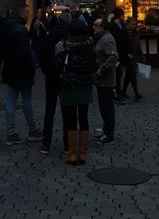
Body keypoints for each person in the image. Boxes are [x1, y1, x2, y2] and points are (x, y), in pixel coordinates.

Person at [56, 20, 95, 164]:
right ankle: (82, 153)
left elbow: (58, 64)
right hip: (84, 85)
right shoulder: (90, 46)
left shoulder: (65, 46)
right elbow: (94, 64)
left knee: (71, 119)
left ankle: (72, 153)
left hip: (69, 85)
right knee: (84, 118)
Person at [2, 5, 41, 145]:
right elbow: (26, 53)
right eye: (28, 13)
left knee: (10, 101)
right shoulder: (21, 30)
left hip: (10, 69)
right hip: (22, 71)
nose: (29, 15)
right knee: (26, 100)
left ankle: (10, 132)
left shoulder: (7, 27)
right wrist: (31, 70)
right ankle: (32, 129)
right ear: (22, 13)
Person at [39, 12, 70, 156]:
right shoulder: (70, 35)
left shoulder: (50, 33)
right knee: (67, 111)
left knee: (49, 110)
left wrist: (47, 70)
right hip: (66, 77)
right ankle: (67, 145)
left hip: (51, 76)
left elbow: (42, 55)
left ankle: (46, 143)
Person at [93, 19, 118, 145]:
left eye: (96, 26)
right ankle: (106, 131)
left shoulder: (106, 39)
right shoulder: (102, 38)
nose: (94, 28)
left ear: (101, 27)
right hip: (102, 80)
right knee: (103, 107)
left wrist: (101, 70)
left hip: (106, 80)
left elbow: (113, 56)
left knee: (107, 107)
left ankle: (109, 134)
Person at [109, 7, 131, 103]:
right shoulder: (113, 26)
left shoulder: (122, 24)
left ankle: (119, 93)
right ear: (119, 15)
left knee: (120, 74)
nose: (124, 16)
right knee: (117, 74)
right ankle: (116, 94)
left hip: (122, 53)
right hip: (116, 53)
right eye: (122, 14)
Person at [122, 20, 144, 100]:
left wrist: (141, 56)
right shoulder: (126, 33)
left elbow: (138, 45)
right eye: (132, 24)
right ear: (128, 24)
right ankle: (136, 92)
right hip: (130, 57)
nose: (134, 26)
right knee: (132, 74)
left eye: (135, 24)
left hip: (134, 56)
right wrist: (127, 54)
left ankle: (123, 91)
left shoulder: (135, 33)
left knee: (129, 75)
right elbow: (123, 45)